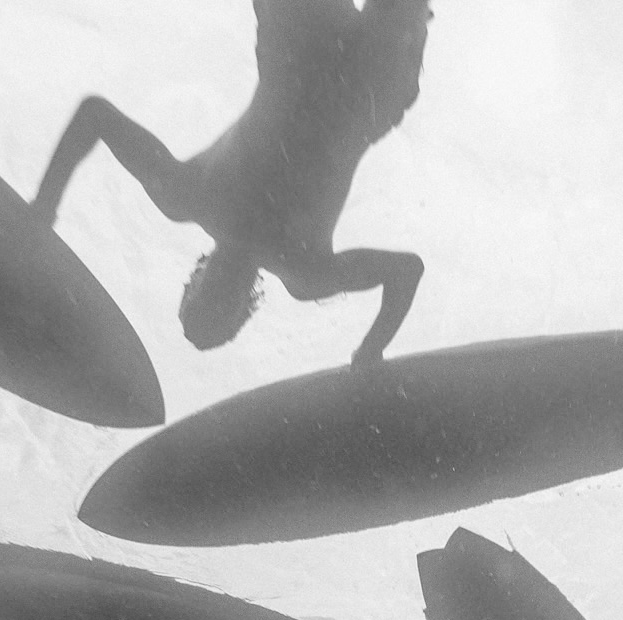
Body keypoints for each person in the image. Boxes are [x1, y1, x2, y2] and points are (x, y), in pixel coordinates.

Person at [31, 0, 434, 364]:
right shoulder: (304, 271)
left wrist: (43, 208)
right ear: (246, 307)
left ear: (193, 279)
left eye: (203, 302)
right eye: (223, 311)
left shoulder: (186, 197)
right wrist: (371, 349)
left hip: (301, 49)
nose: (217, 298)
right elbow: (406, 271)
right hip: (368, 88)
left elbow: (95, 115)